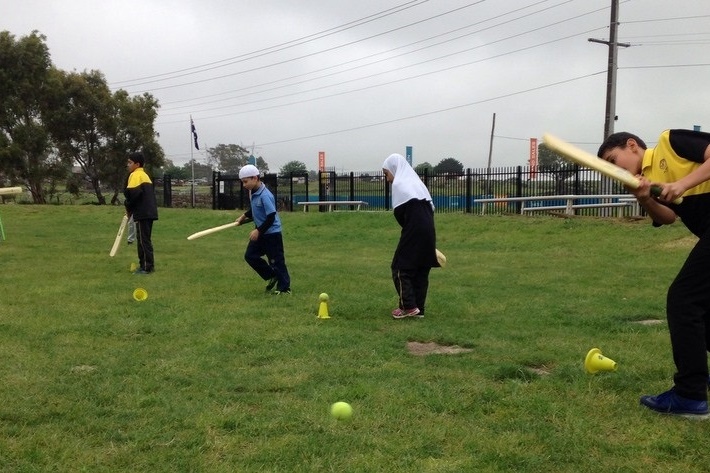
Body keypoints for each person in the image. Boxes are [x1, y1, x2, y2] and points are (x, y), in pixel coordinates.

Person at [597, 129, 710, 417]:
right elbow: (668, 217)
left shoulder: (669, 142)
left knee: (683, 300)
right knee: (701, 308)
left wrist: (682, 184)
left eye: (613, 160)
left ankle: (689, 395)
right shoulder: (645, 183)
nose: (613, 170)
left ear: (632, 146)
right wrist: (646, 198)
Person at [382, 153, 440, 319]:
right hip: (429, 229)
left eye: (387, 173)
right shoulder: (418, 184)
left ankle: (408, 306)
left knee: (400, 267)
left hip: (414, 230)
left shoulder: (400, 184)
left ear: (394, 168)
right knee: (421, 268)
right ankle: (418, 309)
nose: (388, 179)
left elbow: (400, 214)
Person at [234, 164, 291, 295]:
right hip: (261, 231)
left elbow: (271, 216)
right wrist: (244, 215)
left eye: (245, 182)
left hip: (271, 234)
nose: (244, 185)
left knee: (276, 261)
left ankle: (284, 289)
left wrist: (258, 231)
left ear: (255, 178)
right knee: (250, 256)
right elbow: (255, 208)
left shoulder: (265, 195)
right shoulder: (252, 191)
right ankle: (272, 275)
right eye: (242, 182)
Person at [124, 151, 158, 274]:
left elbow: (133, 195)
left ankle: (147, 267)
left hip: (143, 213)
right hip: (148, 212)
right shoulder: (145, 175)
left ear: (137, 164)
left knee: (143, 241)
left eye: (129, 162)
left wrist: (128, 208)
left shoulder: (135, 175)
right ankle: (145, 266)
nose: (127, 165)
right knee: (144, 240)